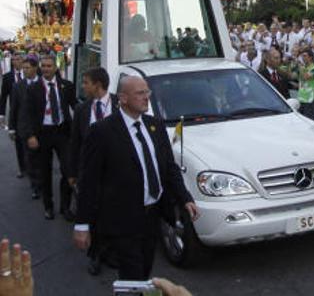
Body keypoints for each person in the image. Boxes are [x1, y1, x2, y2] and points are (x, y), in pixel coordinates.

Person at [73, 75, 198, 280]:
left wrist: (185, 198)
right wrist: (82, 225)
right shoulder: (102, 132)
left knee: (145, 268)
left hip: (152, 216)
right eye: (140, 93)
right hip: (123, 219)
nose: (146, 97)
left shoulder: (155, 126)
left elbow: (168, 167)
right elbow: (89, 182)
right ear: (122, 98)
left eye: (147, 92)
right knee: (133, 274)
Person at [68, 66, 118, 276]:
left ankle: (113, 252)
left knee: (115, 215)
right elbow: (75, 144)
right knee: (94, 216)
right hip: (91, 174)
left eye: (86, 82)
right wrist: (72, 173)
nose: (83, 86)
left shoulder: (120, 104)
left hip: (117, 172)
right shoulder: (82, 110)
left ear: (98, 85)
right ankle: (95, 254)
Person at [19, 55, 76, 220]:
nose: (45, 69)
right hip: (42, 134)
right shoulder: (33, 88)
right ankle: (48, 206)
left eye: (49, 66)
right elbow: (27, 114)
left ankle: (65, 207)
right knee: (45, 171)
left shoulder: (67, 86)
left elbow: (76, 108)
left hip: (62, 132)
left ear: (55, 67)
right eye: (43, 66)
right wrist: (30, 135)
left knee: (67, 170)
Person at [7, 57, 40, 199]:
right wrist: (12, 128)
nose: (24, 70)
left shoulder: (43, 83)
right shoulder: (18, 86)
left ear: (34, 68)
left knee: (42, 158)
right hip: (25, 128)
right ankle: (35, 186)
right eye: (23, 68)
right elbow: (14, 108)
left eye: (27, 68)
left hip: (43, 128)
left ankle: (42, 181)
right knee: (30, 158)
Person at [1, 53, 27, 178]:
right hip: (15, 114)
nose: (16, 62)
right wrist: (1, 115)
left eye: (19, 59)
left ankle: (32, 167)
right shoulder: (7, 77)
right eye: (14, 60)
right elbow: (3, 97)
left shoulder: (30, 74)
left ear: (23, 61)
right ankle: (22, 168)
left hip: (30, 113)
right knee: (18, 142)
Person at [295, 50, 314, 120]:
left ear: (310, 58)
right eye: (302, 56)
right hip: (301, 99)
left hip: (310, 100)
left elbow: (305, 77)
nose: (303, 58)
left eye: (305, 56)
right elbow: (292, 77)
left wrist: (300, 67)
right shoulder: (303, 68)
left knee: (309, 123)